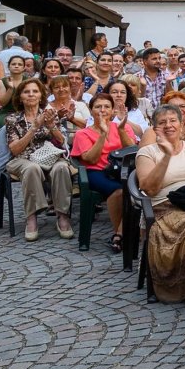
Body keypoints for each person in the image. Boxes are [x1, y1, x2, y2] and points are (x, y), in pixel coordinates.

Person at [134, 102, 185, 315]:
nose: (168, 125)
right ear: (154, 128)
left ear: (181, 124)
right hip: (166, 208)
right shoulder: (147, 152)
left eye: (173, 121)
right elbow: (149, 188)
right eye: (162, 123)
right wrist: (167, 156)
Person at [4, 78, 75, 242]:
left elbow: (61, 142)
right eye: (26, 92)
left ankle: (62, 215)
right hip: (22, 159)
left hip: (49, 156)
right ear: (20, 97)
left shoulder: (50, 113)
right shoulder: (12, 119)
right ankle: (32, 217)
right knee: (32, 169)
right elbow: (14, 149)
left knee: (61, 168)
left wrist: (51, 125)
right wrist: (34, 127)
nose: (31, 95)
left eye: (35, 91)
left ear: (41, 96)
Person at [70, 92, 135, 254]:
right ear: (91, 110)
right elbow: (90, 159)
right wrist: (103, 135)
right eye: (98, 107)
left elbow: (132, 150)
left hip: (121, 171)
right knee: (119, 191)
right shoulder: (82, 133)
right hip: (96, 172)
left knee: (141, 188)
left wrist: (120, 131)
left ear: (112, 110)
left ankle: (120, 233)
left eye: (107, 106)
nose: (102, 110)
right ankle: (119, 233)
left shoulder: (122, 127)